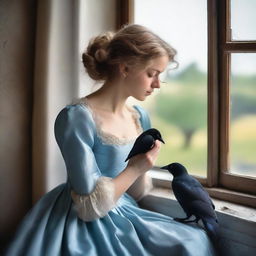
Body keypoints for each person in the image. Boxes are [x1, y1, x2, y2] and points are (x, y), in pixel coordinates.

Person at [5, 24, 215, 256]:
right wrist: (136, 168)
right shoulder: (76, 117)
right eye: (152, 74)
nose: (156, 84)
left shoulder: (139, 116)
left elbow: (134, 193)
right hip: (80, 219)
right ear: (125, 68)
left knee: (193, 241)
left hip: (122, 209)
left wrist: (142, 167)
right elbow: (88, 205)